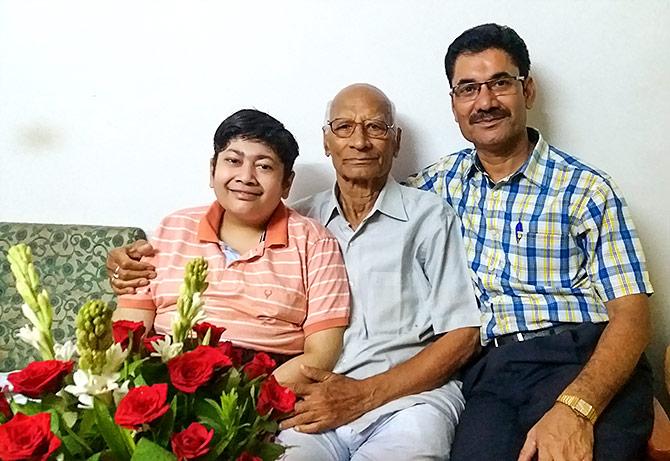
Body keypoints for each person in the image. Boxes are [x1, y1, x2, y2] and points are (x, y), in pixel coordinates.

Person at [108, 84, 481, 460]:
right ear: (325, 141)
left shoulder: (428, 217)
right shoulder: (296, 220)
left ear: (395, 141)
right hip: (310, 402)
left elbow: (463, 334)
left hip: (406, 401)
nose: (360, 141)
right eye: (344, 127)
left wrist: (365, 394)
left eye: (376, 127)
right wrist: (126, 265)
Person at [405, 23, 654, 461]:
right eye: (468, 89)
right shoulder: (435, 186)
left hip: (578, 356)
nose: (485, 102)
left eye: (500, 83)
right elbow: (367, 204)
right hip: (488, 376)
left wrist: (577, 408)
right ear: (454, 104)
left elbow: (632, 318)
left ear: (528, 91)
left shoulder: (586, 189)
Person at [112, 109, 351, 385]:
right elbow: (129, 330)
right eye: (233, 161)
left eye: (264, 166)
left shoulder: (315, 242)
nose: (246, 177)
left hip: (262, 384)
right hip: (165, 376)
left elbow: (322, 353)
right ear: (213, 171)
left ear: (287, 183)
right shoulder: (172, 228)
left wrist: (251, 402)